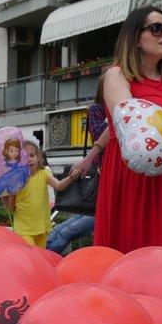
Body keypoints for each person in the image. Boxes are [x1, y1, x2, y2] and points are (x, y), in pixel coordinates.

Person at [72, 6, 162, 253]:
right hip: (134, 180)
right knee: (132, 256)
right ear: (136, 38)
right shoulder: (117, 75)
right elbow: (132, 125)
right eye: (156, 28)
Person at [47, 77, 108, 254]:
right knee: (60, 230)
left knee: (65, 231)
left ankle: (45, 255)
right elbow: (98, 136)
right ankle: (45, 256)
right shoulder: (97, 109)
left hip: (97, 197)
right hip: (95, 187)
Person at [3, 140, 78, 247]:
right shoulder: (16, 180)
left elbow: (59, 186)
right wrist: (8, 196)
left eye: (32, 155)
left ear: (38, 157)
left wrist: (70, 177)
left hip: (41, 229)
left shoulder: (44, 174)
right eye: (24, 158)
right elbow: (11, 208)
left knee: (39, 259)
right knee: (33, 256)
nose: (29, 160)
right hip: (23, 230)